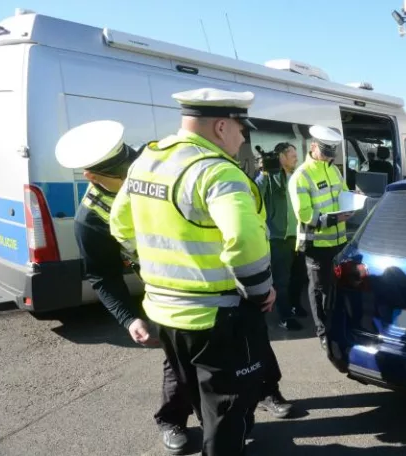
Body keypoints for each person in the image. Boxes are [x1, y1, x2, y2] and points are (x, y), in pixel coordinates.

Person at [109, 87, 278, 455]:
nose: (243, 136)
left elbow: (121, 226)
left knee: (198, 396)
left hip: (164, 313)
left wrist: (157, 267)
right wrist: (261, 290)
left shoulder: (146, 161)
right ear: (221, 127)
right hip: (217, 316)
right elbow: (245, 238)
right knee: (227, 410)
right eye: (241, 128)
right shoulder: (216, 171)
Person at [55, 120, 195, 455]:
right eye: (122, 174)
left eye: (131, 162)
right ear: (91, 175)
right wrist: (130, 319)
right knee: (177, 361)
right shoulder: (91, 218)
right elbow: (103, 276)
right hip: (165, 293)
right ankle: (172, 419)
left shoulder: (155, 162)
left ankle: (249, 400)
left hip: (209, 277)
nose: (133, 175)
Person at [287, 126, 350, 352]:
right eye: (325, 152)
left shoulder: (334, 170)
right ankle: (323, 332)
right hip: (316, 244)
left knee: (335, 287)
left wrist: (352, 202)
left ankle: (335, 325)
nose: (328, 156)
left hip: (338, 241)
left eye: (331, 153)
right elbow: (304, 214)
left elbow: (343, 193)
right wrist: (332, 220)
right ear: (313, 146)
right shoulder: (301, 175)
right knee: (319, 289)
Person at [255, 143, 308, 332]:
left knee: (299, 276)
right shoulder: (269, 177)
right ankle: (285, 316)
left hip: (298, 236)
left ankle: (295, 305)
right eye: (292, 155)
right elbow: (255, 197)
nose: (296, 158)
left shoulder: (296, 176)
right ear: (281, 157)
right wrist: (263, 173)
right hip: (278, 238)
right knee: (282, 280)